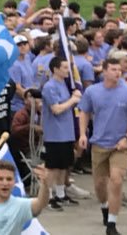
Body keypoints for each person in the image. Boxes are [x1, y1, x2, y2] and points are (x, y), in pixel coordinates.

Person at [77, 58, 127, 235]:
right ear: (104, 71)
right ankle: (105, 207)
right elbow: (84, 112)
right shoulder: (92, 91)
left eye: (119, 70)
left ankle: (112, 224)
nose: (117, 72)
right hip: (99, 143)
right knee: (100, 184)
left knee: (116, 179)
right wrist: (83, 134)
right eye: (113, 69)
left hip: (120, 145)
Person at [41, 58, 81, 209]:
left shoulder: (64, 85)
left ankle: (61, 194)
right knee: (52, 166)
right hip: (54, 133)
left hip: (66, 131)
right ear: (55, 69)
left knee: (64, 165)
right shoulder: (50, 87)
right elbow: (56, 109)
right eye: (64, 67)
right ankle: (48, 196)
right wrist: (73, 100)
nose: (67, 70)